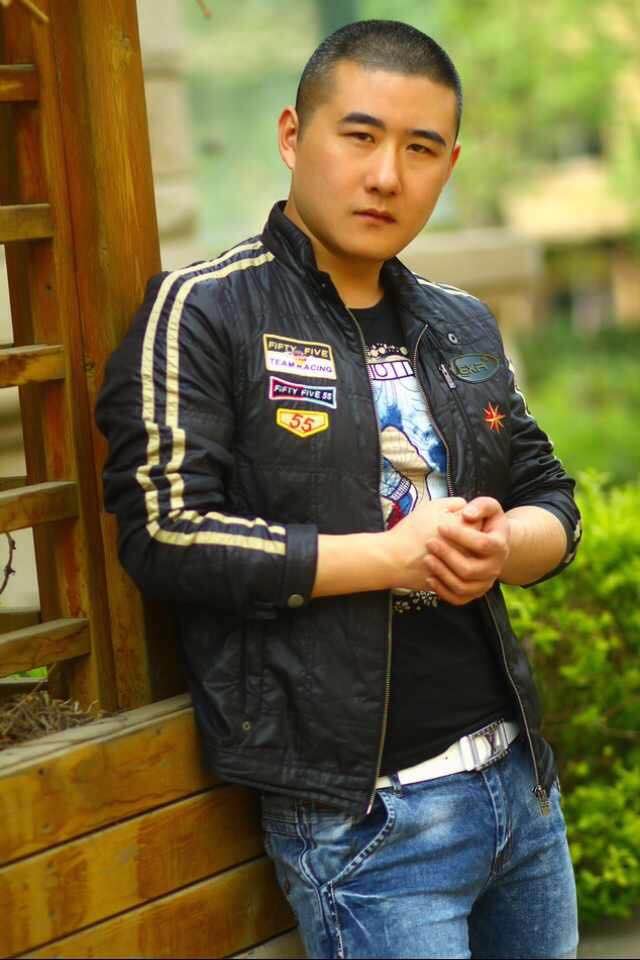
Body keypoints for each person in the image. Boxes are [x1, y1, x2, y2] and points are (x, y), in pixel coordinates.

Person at [96, 19, 581, 960]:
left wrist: (502, 547)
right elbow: (164, 533)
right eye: (359, 136)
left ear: (450, 165)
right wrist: (391, 558)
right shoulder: (205, 310)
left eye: (421, 149)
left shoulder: (459, 321)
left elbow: (550, 495)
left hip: (519, 789)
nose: (386, 175)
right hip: (367, 822)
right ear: (292, 135)